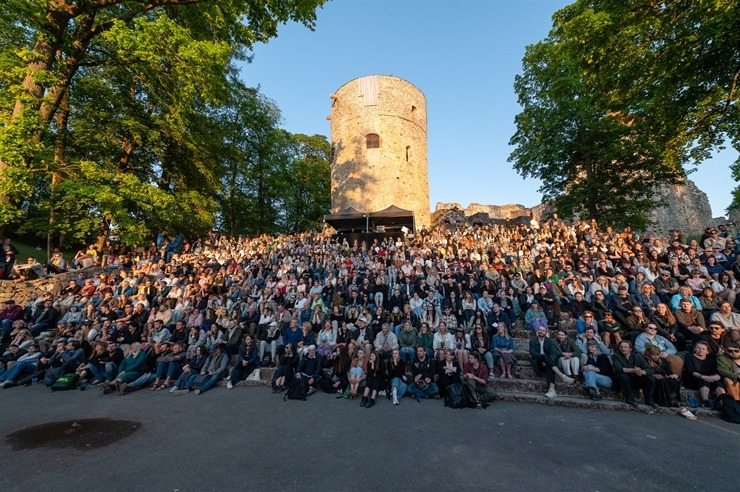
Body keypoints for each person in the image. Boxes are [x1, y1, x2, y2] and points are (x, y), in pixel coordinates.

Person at [529, 325, 573, 399]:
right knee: (545, 357)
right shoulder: (533, 340)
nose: (541, 331)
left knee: (549, 364)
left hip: (548, 363)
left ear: (546, 332)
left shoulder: (550, 341)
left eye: (543, 330)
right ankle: (562, 376)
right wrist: (544, 358)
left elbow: (553, 354)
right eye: (540, 330)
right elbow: (533, 353)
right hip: (538, 362)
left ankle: (552, 390)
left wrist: (548, 362)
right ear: (537, 331)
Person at [611, 340, 657, 408]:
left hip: (636, 378)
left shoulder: (637, 357)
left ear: (630, 349)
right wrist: (633, 370)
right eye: (621, 347)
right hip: (622, 380)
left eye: (625, 347)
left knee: (650, 378)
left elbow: (650, 370)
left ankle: (649, 400)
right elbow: (618, 369)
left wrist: (641, 372)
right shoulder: (616, 356)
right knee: (622, 376)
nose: (623, 349)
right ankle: (630, 398)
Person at [683, 340, 725, 408]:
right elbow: (691, 371)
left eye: (703, 349)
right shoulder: (689, 356)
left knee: (718, 382)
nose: (700, 350)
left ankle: (723, 400)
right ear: (695, 349)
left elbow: (716, 373)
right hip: (694, 379)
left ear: (707, 351)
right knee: (704, 381)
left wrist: (714, 377)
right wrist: (703, 377)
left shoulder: (711, 360)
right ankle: (705, 401)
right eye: (698, 348)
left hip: (709, 379)